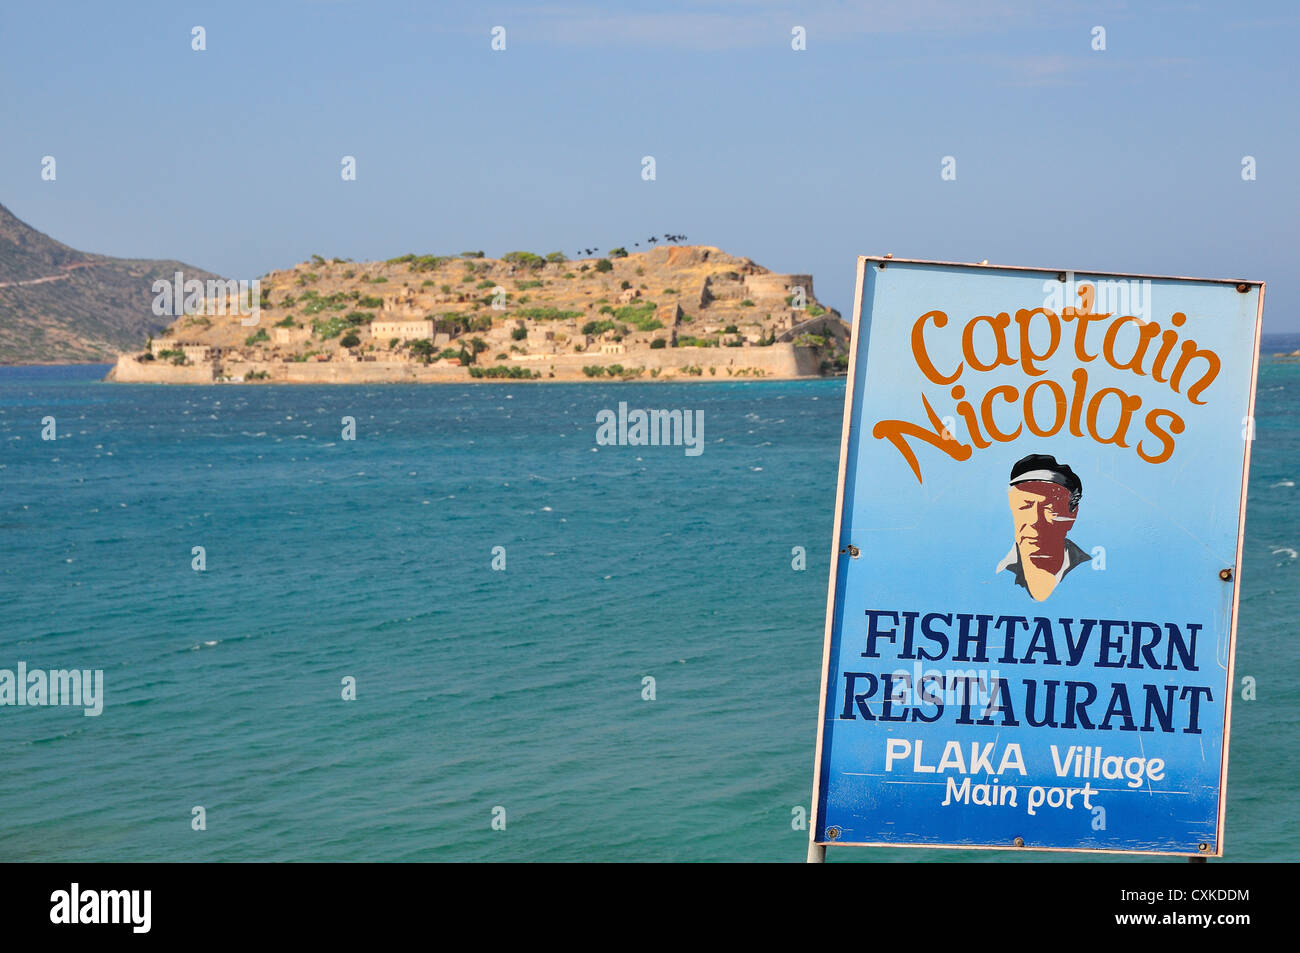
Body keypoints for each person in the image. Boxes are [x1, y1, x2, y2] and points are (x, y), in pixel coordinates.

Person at [996, 453, 1091, 602]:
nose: (1035, 520)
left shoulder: (1090, 572)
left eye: (1049, 508)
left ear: (1072, 515)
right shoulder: (993, 573)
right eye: (1025, 506)